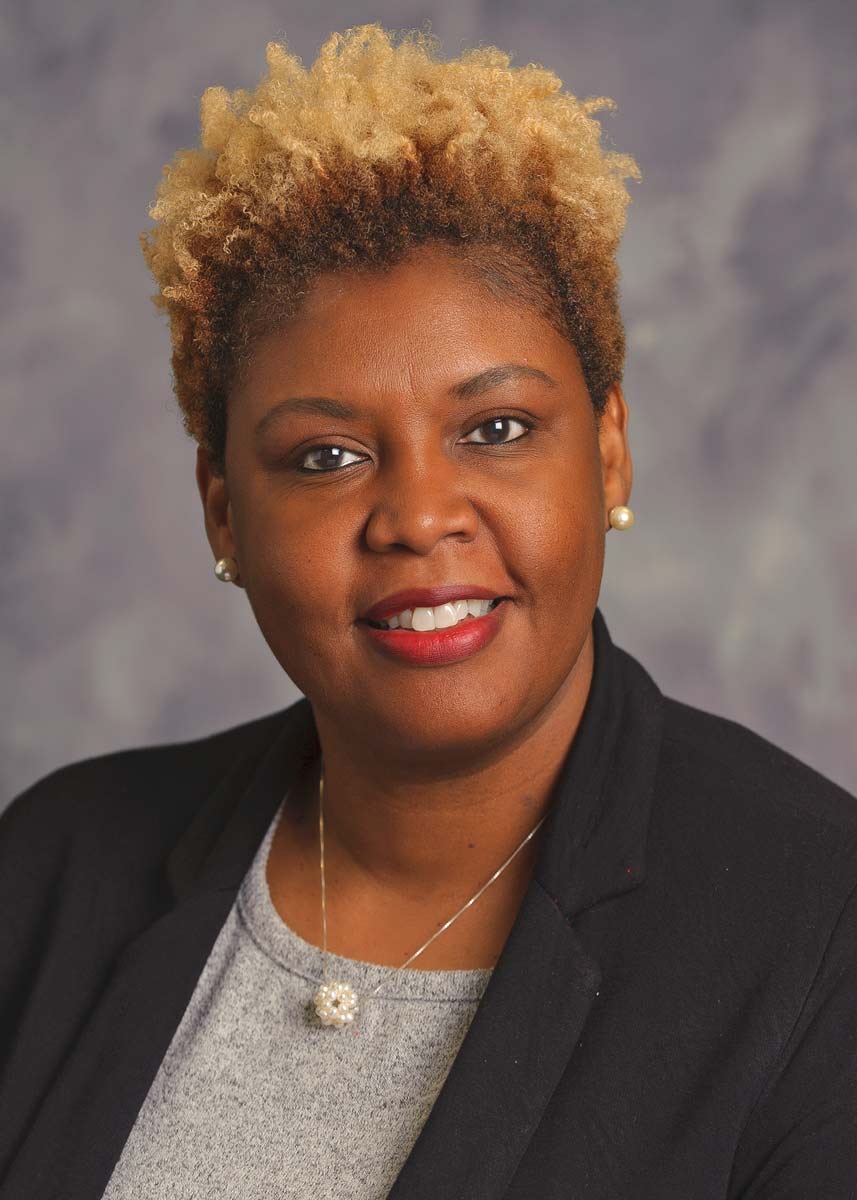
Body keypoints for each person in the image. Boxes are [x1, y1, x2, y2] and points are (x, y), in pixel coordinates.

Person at [1, 22, 856, 1200]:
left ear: (608, 454)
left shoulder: (821, 933)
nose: (415, 516)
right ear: (221, 513)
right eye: (325, 455)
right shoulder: (54, 868)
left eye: (494, 430)